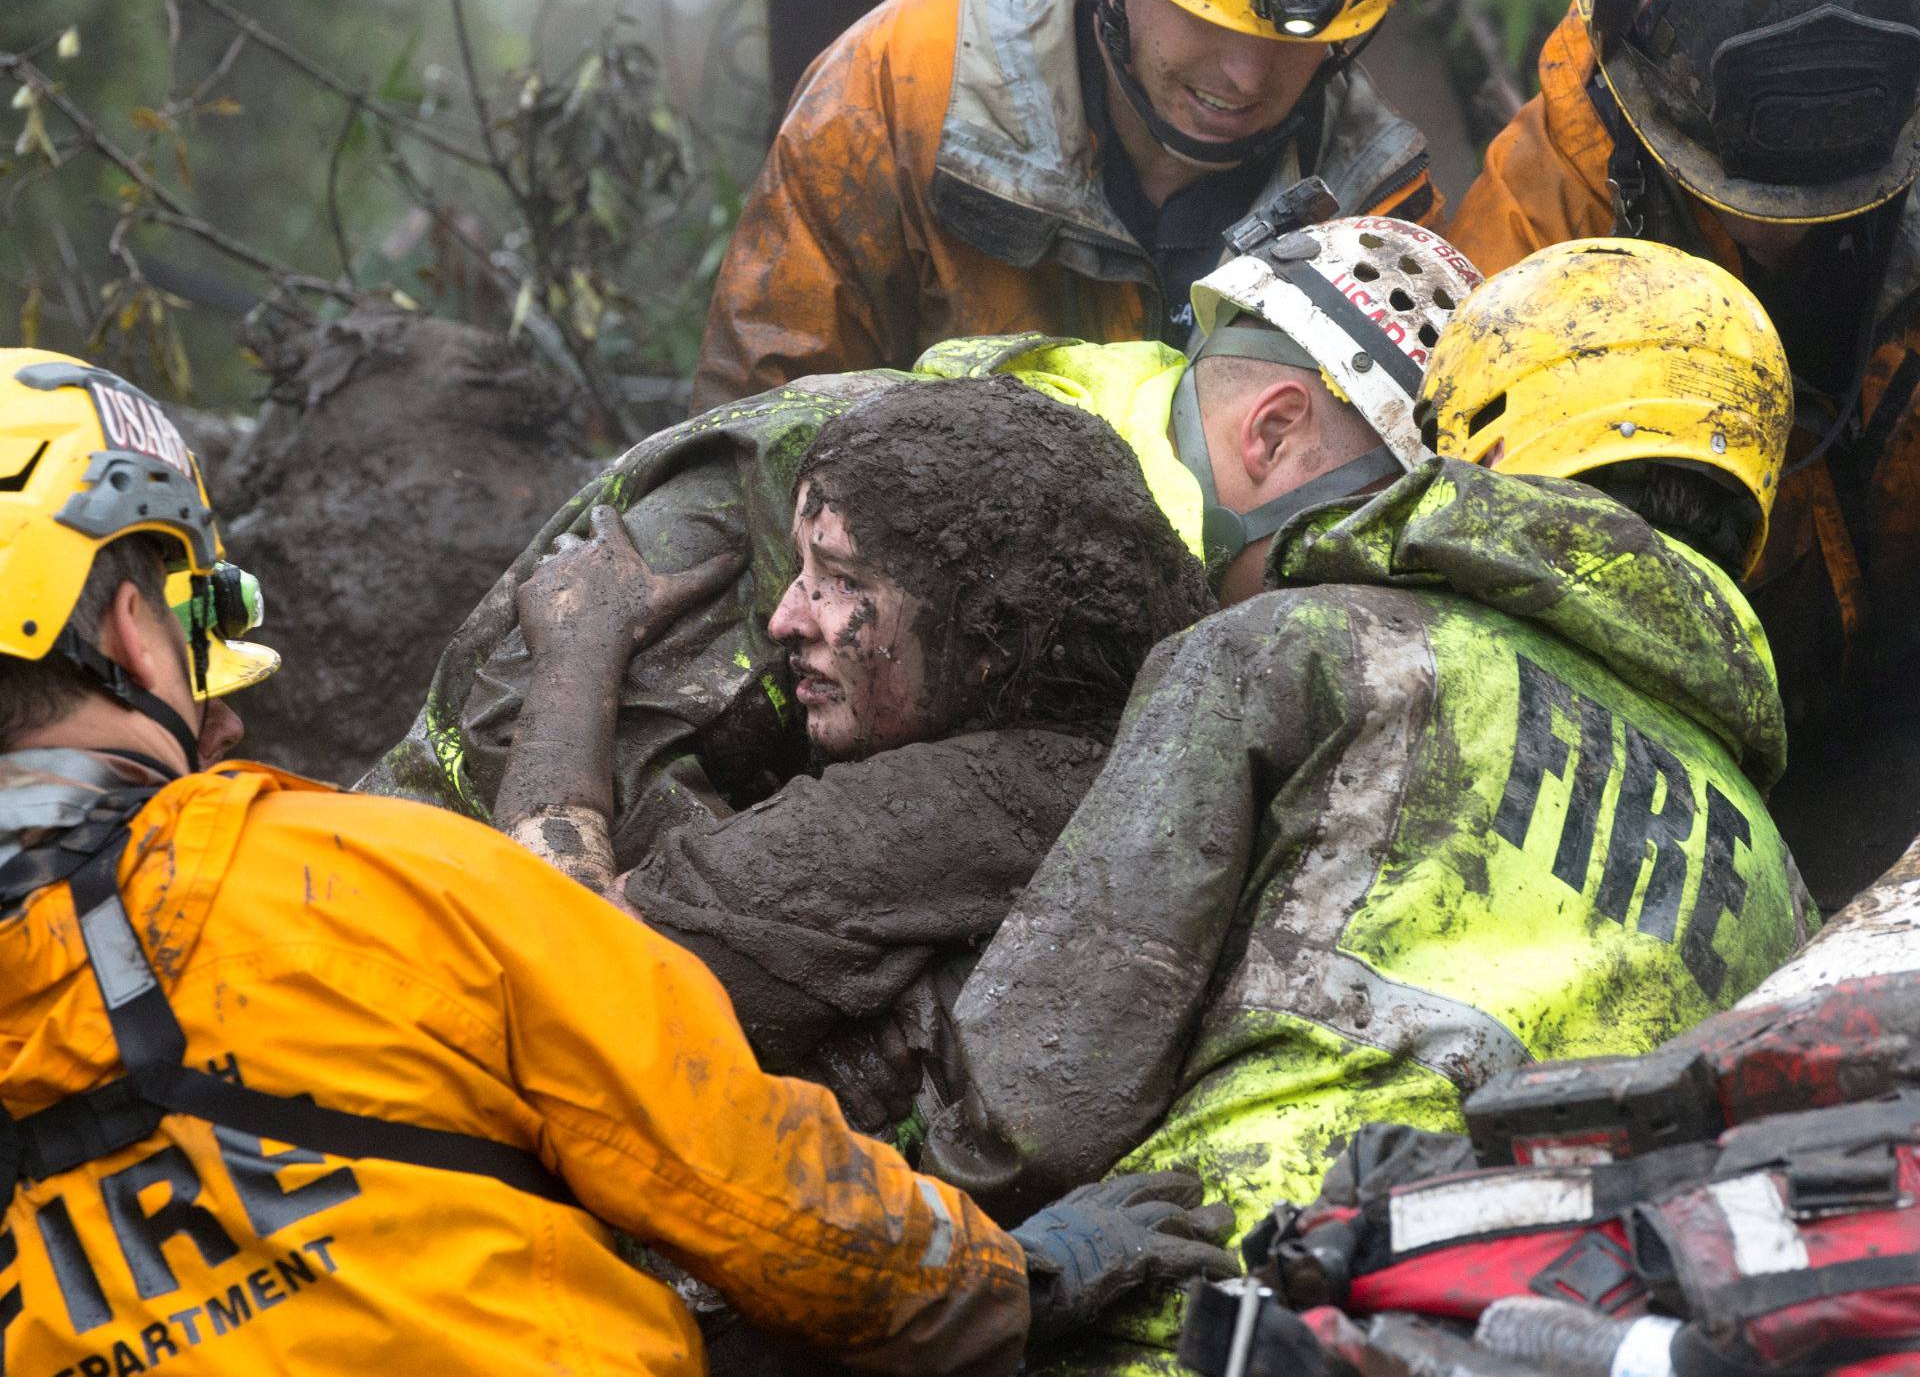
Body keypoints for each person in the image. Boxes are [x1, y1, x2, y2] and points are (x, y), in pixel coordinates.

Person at [0, 350, 1232, 1375]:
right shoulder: (373, 875)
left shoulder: (998, 789)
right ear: (128, 629)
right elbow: (734, 1166)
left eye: (836, 583)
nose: (787, 618)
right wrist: (1020, 1278)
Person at [918, 241, 1819, 1374]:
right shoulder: (1787, 894)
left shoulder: (1315, 644)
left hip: (1204, 1326)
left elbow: (1034, 1099)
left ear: (1473, 442)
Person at [485, 378, 1212, 1118]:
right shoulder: (1134, 719)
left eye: (838, 580)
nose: (784, 619)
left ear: (992, 632)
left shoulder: (952, 807)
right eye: (800, 571)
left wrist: (578, 652)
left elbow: (562, 966)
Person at [1443, 0, 1920, 898]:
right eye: (1747, 196)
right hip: (1698, 787)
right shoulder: (1535, 235)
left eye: (1828, 197)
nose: (1787, 228)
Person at [691, 0, 1447, 414]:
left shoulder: (1378, 207)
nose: (1245, 75)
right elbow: (759, 416)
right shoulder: (902, 83)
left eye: (1290, 36)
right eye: (1202, 14)